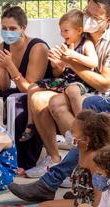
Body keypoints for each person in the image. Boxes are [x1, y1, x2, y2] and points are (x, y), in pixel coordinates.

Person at [9, 0, 110, 201]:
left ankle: (62, 169)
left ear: (109, 19)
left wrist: (73, 63)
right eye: (87, 12)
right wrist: (60, 66)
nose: (88, 19)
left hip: (103, 94)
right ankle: (54, 158)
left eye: (95, 17)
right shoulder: (79, 31)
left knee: (64, 104)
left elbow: (105, 82)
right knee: (39, 98)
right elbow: (63, 73)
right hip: (77, 88)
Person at [36, 110, 110, 207]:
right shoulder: (82, 151)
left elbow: (100, 196)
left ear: (87, 139)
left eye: (73, 132)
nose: (69, 134)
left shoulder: (94, 158)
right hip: (81, 201)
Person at [20, 9, 98, 144]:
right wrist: (58, 66)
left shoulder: (86, 44)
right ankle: (30, 124)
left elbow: (93, 62)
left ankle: (82, 123)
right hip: (66, 81)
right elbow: (60, 72)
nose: (62, 34)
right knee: (32, 87)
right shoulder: (65, 46)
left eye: (66, 30)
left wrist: (73, 56)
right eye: (61, 30)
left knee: (72, 90)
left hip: (81, 83)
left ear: (79, 30)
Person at [0, 5, 53, 170]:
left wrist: (10, 65)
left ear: (23, 28)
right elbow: (2, 86)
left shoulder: (38, 48)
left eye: (12, 28)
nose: (8, 32)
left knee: (16, 103)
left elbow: (29, 88)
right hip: (21, 89)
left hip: (39, 93)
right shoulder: (3, 46)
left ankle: (24, 161)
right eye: (4, 28)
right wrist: (3, 67)